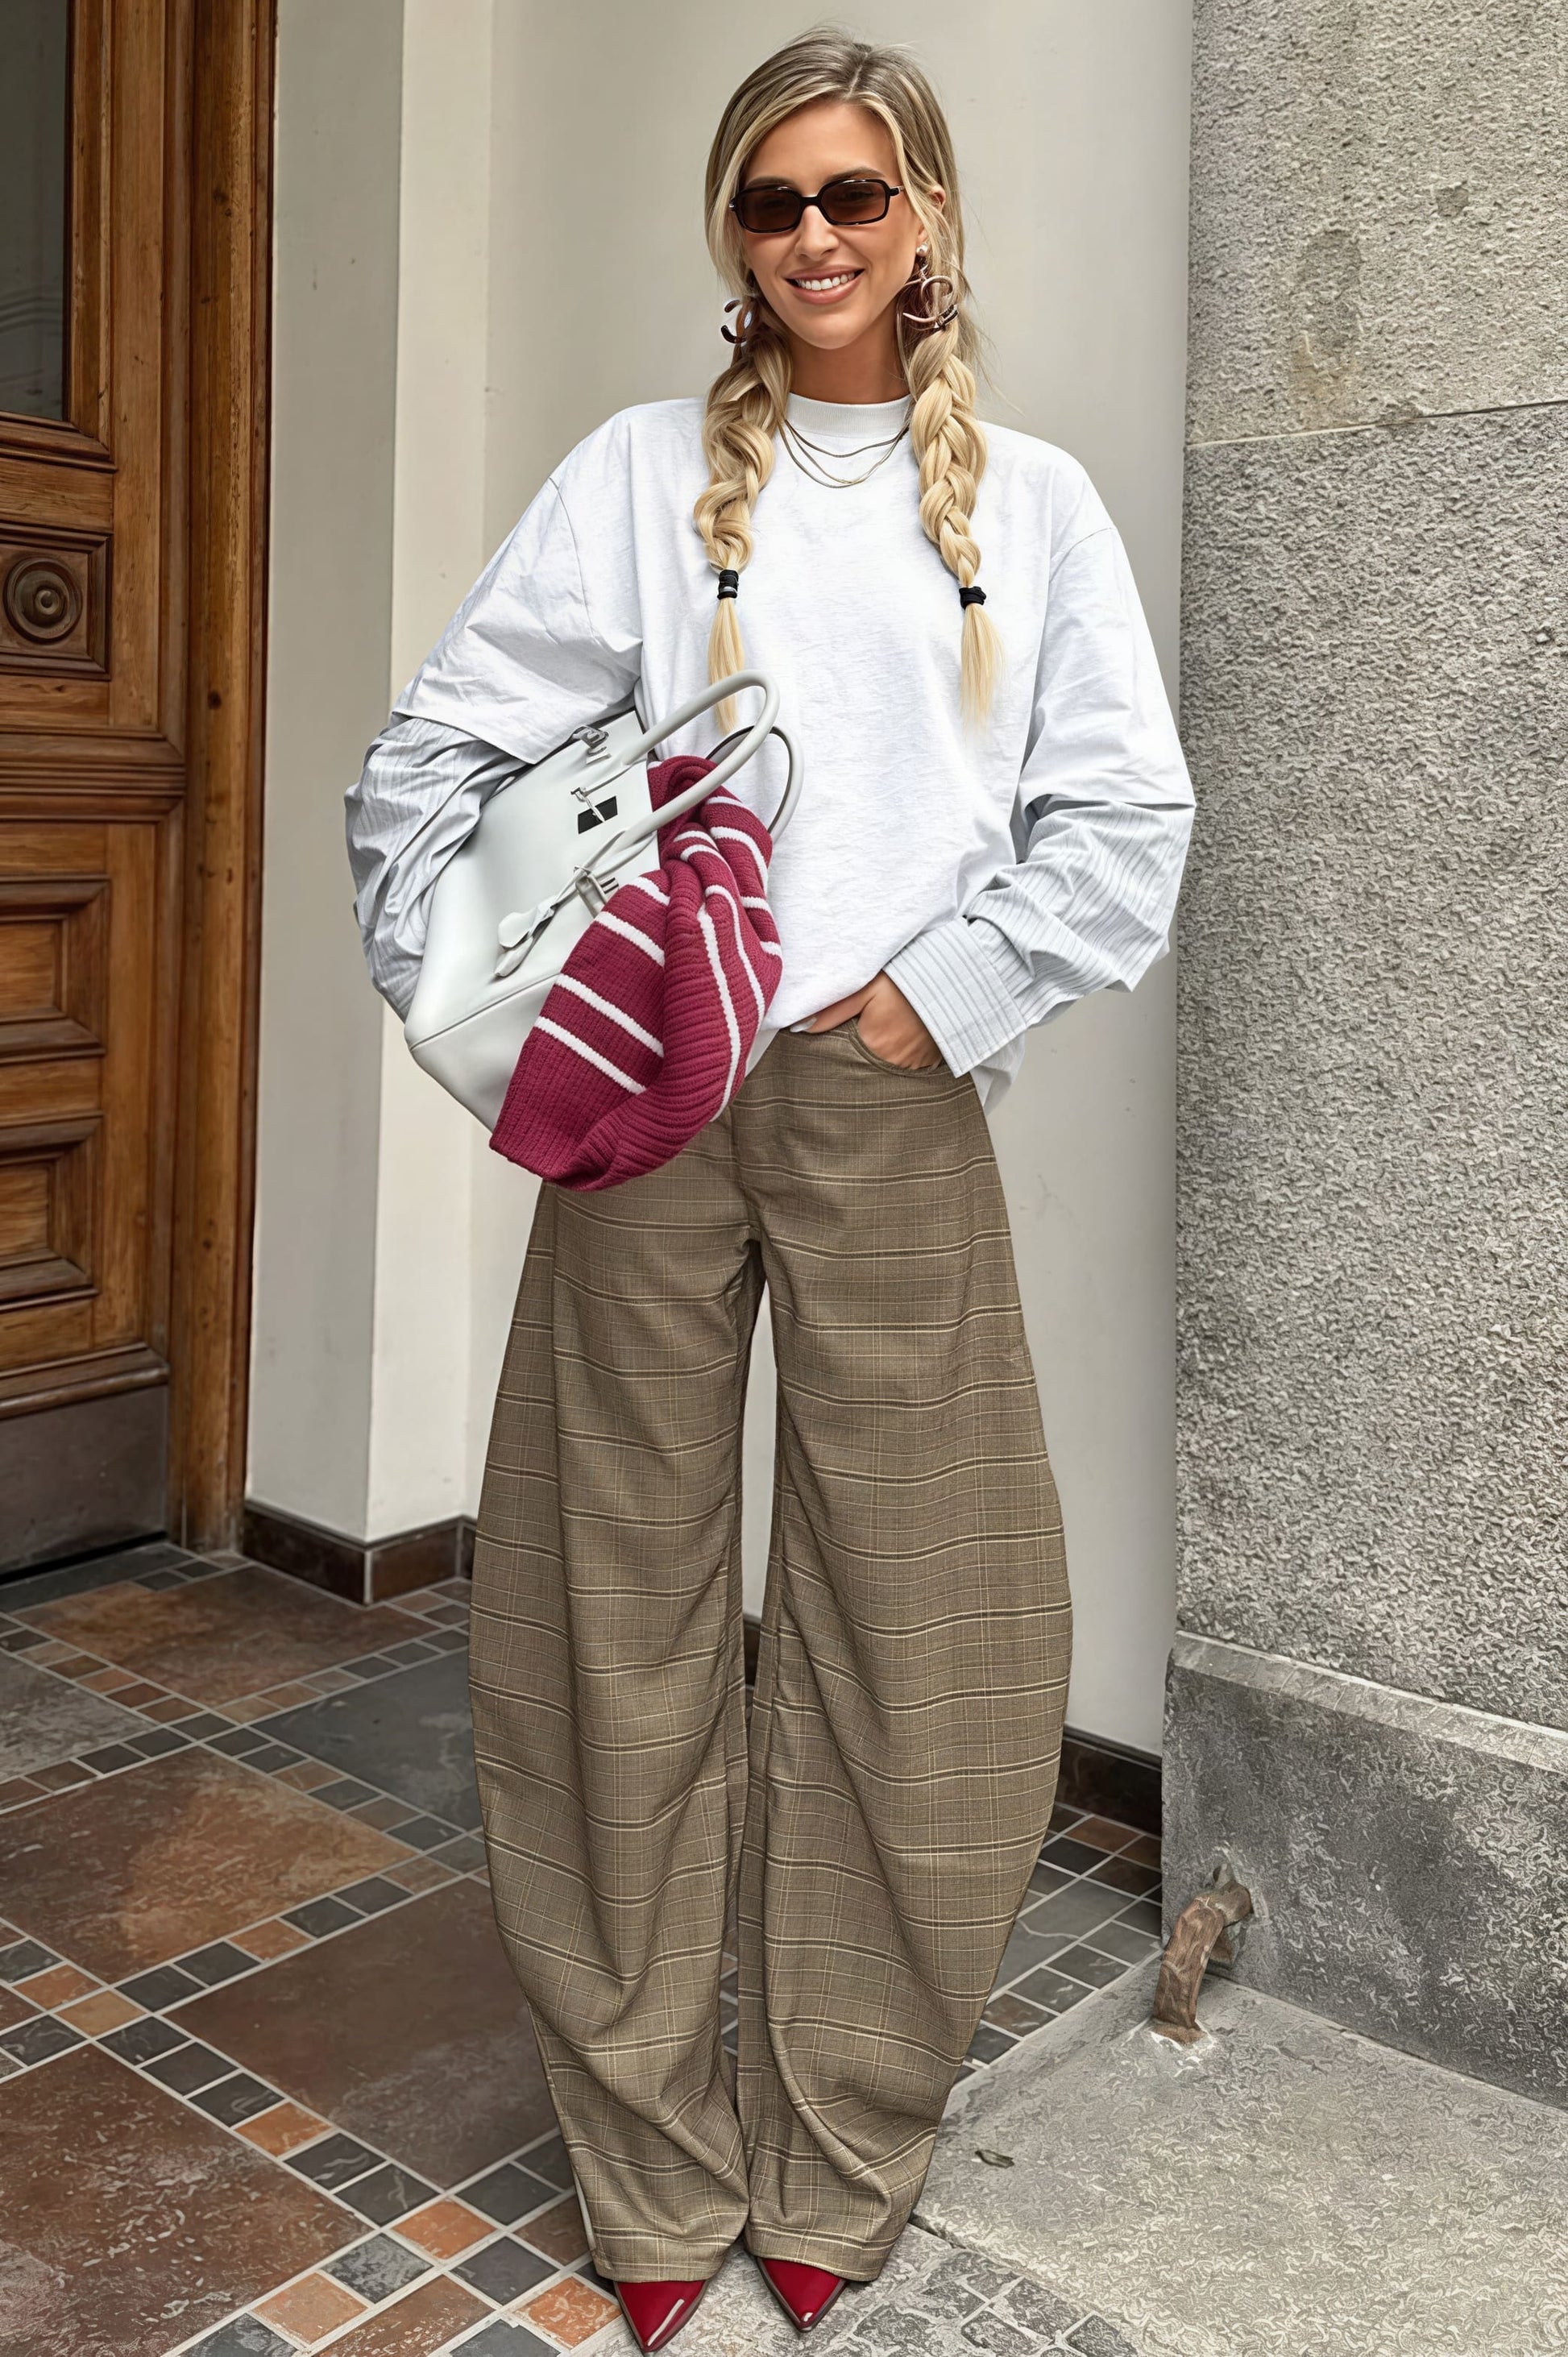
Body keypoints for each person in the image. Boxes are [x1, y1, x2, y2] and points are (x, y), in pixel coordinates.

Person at [346, 30, 1193, 2351]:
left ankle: (843, 2136)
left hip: (886, 1090)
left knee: (932, 1617)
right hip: (656, 1092)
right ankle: (647, 2162)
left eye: (854, 194)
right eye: (771, 201)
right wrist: (506, 990)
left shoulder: (1030, 508)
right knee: (602, 1603)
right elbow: (434, 754)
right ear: (729, 232)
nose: (814, 236)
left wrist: (942, 989)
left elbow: (1125, 816)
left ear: (926, 216)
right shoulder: (637, 477)